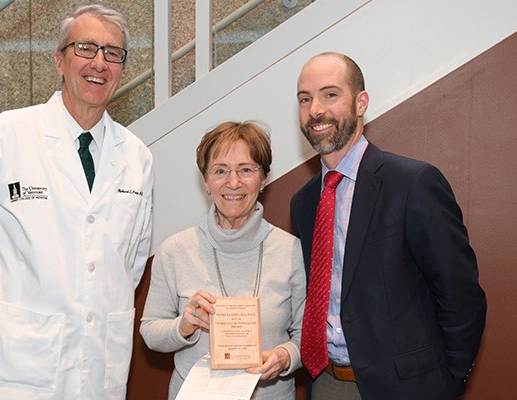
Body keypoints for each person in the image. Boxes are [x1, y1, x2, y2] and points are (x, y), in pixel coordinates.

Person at [0, 5, 153, 399]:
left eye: (113, 53)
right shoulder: (7, 136)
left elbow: (128, 266)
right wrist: (5, 330)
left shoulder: (137, 157)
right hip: (19, 368)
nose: (99, 62)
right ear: (59, 60)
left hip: (100, 364)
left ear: (122, 69)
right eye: (86, 48)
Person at [290, 52, 486, 400]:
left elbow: (461, 297)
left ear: (361, 102)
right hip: (325, 384)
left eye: (330, 94)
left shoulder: (413, 184)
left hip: (409, 389)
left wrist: (447, 383)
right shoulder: (303, 203)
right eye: (305, 99)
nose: (315, 110)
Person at [140, 121, 306, 399]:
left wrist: (284, 356)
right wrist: (183, 325)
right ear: (205, 180)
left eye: (246, 169)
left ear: (263, 178)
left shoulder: (292, 251)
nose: (233, 183)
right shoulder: (175, 251)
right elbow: (150, 332)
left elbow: (307, 336)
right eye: (220, 171)